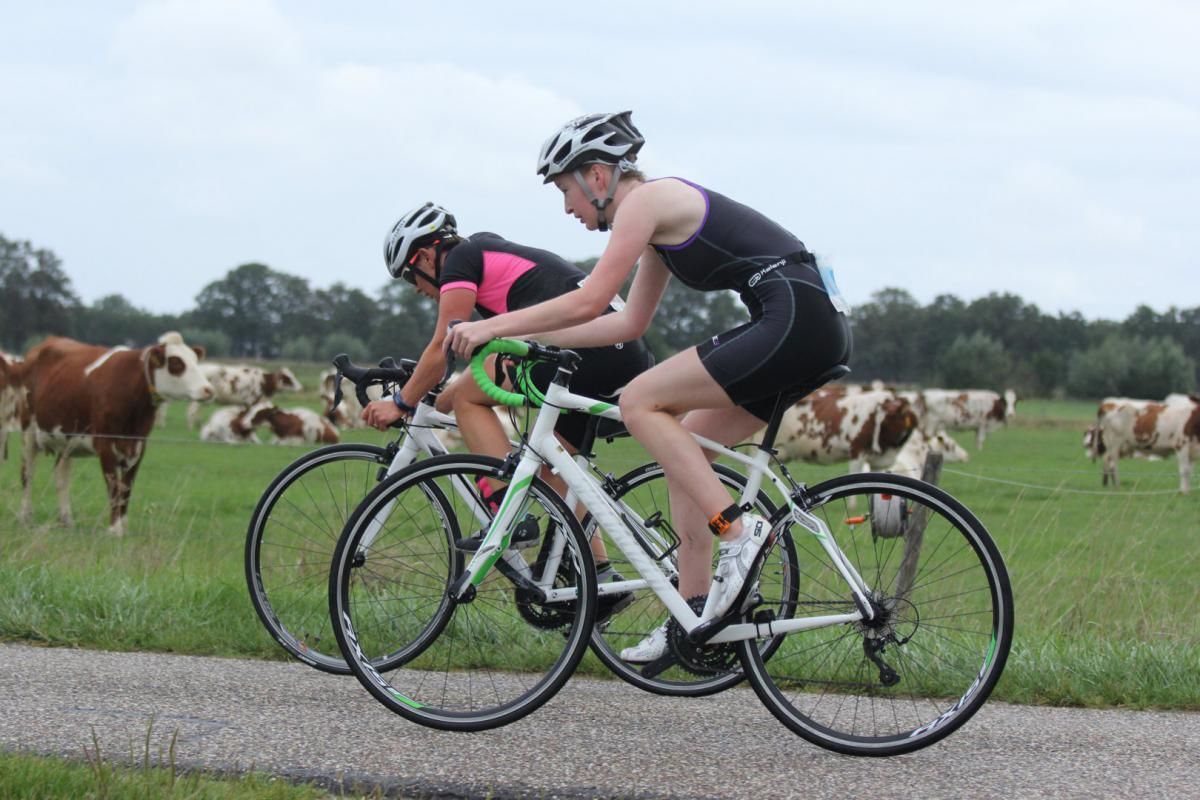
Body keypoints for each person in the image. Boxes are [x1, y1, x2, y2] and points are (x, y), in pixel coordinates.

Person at [448, 111, 852, 661]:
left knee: (641, 400)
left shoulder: (645, 201)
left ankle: (738, 533)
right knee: (688, 449)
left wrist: (492, 327)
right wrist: (529, 340)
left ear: (596, 176)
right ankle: (695, 612)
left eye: (565, 191)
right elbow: (627, 323)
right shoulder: (655, 228)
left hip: (794, 316)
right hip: (808, 322)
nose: (567, 207)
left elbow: (591, 299)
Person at [361, 202, 655, 620]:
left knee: (466, 399)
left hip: (587, 350)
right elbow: (466, 364)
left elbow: (442, 345)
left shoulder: (460, 260)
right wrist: (430, 395)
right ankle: (599, 573)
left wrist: (401, 402)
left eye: (410, 277)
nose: (416, 288)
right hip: (614, 352)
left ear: (424, 257)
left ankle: (508, 514)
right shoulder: (487, 255)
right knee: (555, 466)